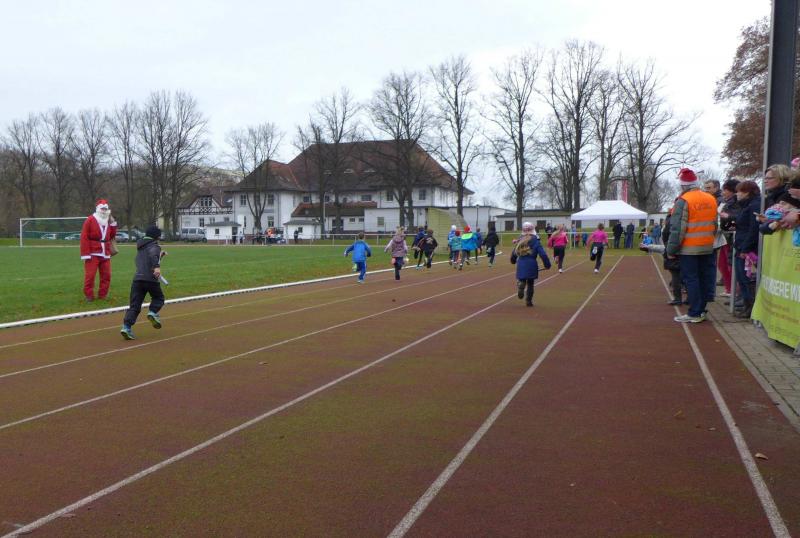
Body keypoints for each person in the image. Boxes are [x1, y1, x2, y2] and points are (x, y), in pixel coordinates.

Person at [666, 168, 719, 323]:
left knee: (691, 279)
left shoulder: (683, 200)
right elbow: (715, 223)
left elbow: (677, 228)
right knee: (704, 278)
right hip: (708, 245)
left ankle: (695, 312)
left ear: (683, 185)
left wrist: (671, 250)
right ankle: (701, 309)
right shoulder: (710, 198)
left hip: (689, 248)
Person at [120, 225, 166, 340]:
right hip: (150, 279)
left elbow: (148, 258)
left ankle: (126, 327)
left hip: (137, 279)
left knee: (134, 306)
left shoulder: (140, 246)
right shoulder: (155, 246)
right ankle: (153, 312)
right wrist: (157, 267)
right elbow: (153, 254)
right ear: (156, 236)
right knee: (159, 298)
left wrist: (160, 257)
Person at [80, 199, 118, 302]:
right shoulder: (90, 220)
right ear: (98, 209)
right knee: (90, 275)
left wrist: (113, 224)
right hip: (93, 253)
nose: (104, 211)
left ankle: (103, 295)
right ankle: (89, 295)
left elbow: (111, 235)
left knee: (106, 275)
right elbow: (84, 237)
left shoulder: (108, 221)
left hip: (105, 252)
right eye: (102, 208)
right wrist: (86, 253)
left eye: (106, 209)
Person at [510, 222, 551, 307]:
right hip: (532, 263)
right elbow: (543, 254)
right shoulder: (536, 240)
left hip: (521, 263)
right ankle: (528, 301)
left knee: (522, 279)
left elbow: (515, 251)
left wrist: (513, 260)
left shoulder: (520, 239)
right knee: (530, 284)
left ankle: (521, 284)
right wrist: (547, 264)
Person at [717, 179, 740, 298]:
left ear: (732, 190)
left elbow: (735, 218)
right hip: (725, 236)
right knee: (722, 263)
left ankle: (734, 290)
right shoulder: (726, 202)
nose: (723, 192)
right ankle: (729, 289)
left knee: (729, 264)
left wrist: (727, 218)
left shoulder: (735, 203)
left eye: (725, 190)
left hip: (731, 237)